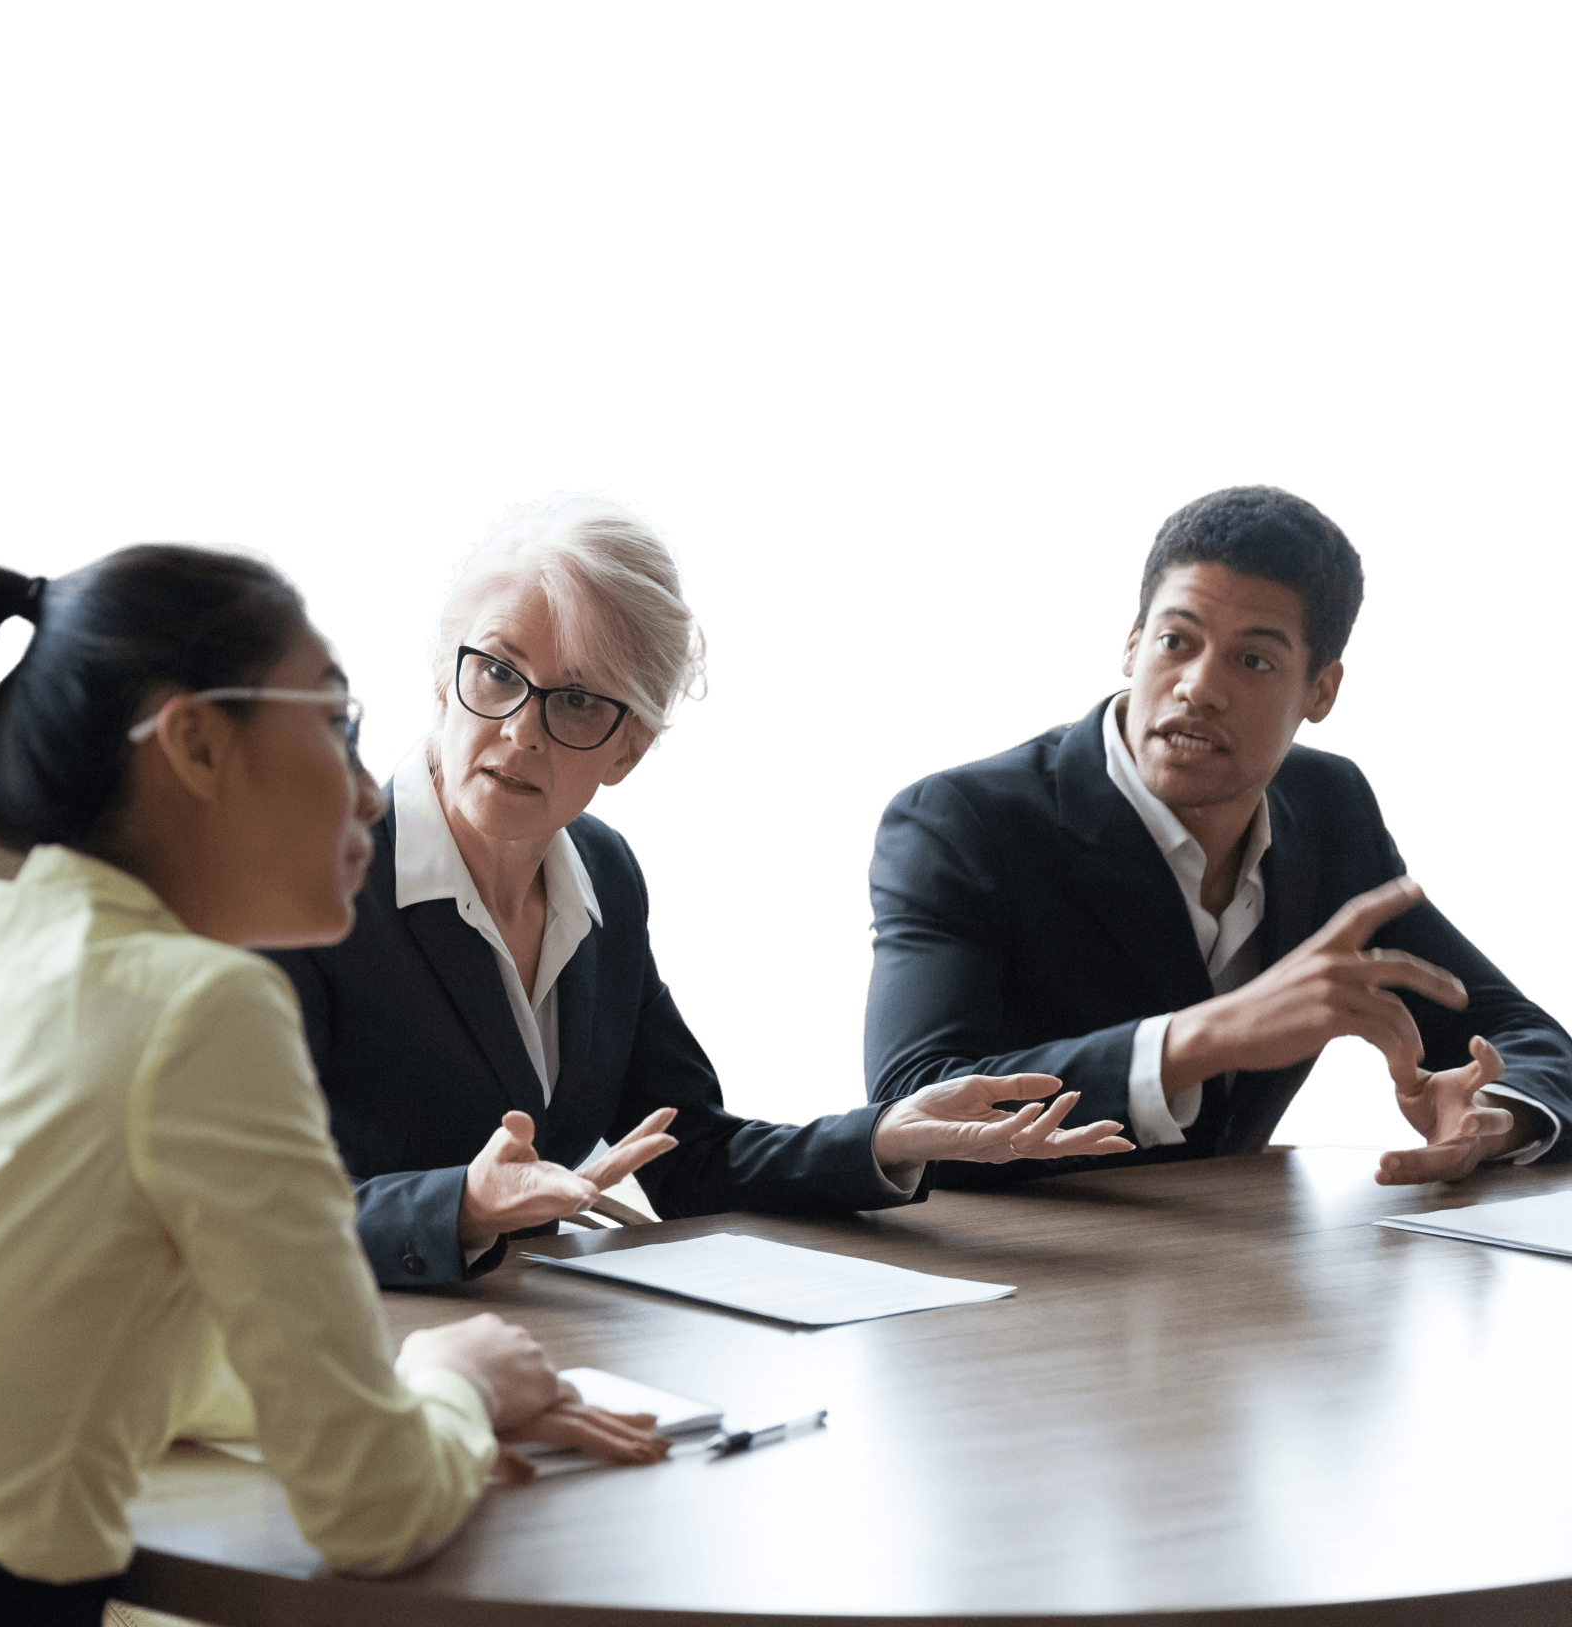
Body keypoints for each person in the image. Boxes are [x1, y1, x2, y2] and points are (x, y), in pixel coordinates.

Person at [0, 543, 665, 1627]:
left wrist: (403, 1381)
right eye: (335, 726)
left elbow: (65, 1334)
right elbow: (375, 1511)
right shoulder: (199, 1005)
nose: (369, 787)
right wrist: (461, 1390)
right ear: (197, 742)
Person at [266, 492, 1132, 1291]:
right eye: (495, 671)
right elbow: (241, 1207)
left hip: (541, 1339)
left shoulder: (603, 871)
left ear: (629, 748)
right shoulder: (298, 877)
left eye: (574, 702)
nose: (520, 732)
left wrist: (883, 1136)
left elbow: (688, 1155)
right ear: (436, 671)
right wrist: (462, 1206)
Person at [863, 484, 1572, 1190]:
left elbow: (1520, 1031)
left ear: (1321, 691)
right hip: (1007, 1268)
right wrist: (1206, 1037)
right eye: (1177, 641)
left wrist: (1492, 1114)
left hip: (1230, 1264)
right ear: (1133, 644)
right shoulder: (959, 820)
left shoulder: (1329, 806)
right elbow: (910, 1103)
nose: (1199, 688)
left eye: (1253, 660)